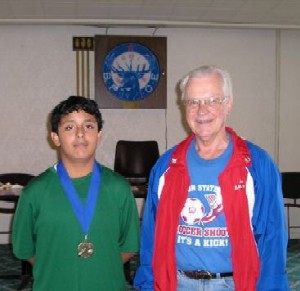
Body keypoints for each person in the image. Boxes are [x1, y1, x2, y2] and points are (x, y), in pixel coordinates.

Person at [134, 65, 290, 291]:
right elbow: (151, 237)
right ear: (184, 107)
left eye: (211, 100)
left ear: (228, 104)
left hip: (234, 284)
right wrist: (147, 285)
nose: (201, 110)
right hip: (176, 284)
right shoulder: (166, 166)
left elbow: (273, 240)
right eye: (193, 102)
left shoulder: (258, 165)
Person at [12, 96, 140, 290]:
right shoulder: (35, 191)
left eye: (88, 126)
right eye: (70, 127)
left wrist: (99, 267)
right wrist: (58, 268)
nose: (80, 134)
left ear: (99, 135)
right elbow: (25, 249)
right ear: (55, 137)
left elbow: (129, 248)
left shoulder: (119, 188)